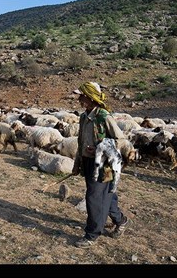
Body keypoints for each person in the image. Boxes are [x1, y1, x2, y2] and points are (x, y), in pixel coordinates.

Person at [71, 81, 130, 248]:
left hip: (104, 164)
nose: (79, 99)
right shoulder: (84, 117)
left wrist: (99, 148)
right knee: (106, 195)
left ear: (90, 97)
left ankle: (92, 234)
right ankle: (121, 220)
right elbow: (81, 142)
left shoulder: (104, 116)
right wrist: (77, 163)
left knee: (94, 197)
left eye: (82, 96)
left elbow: (120, 139)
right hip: (88, 162)